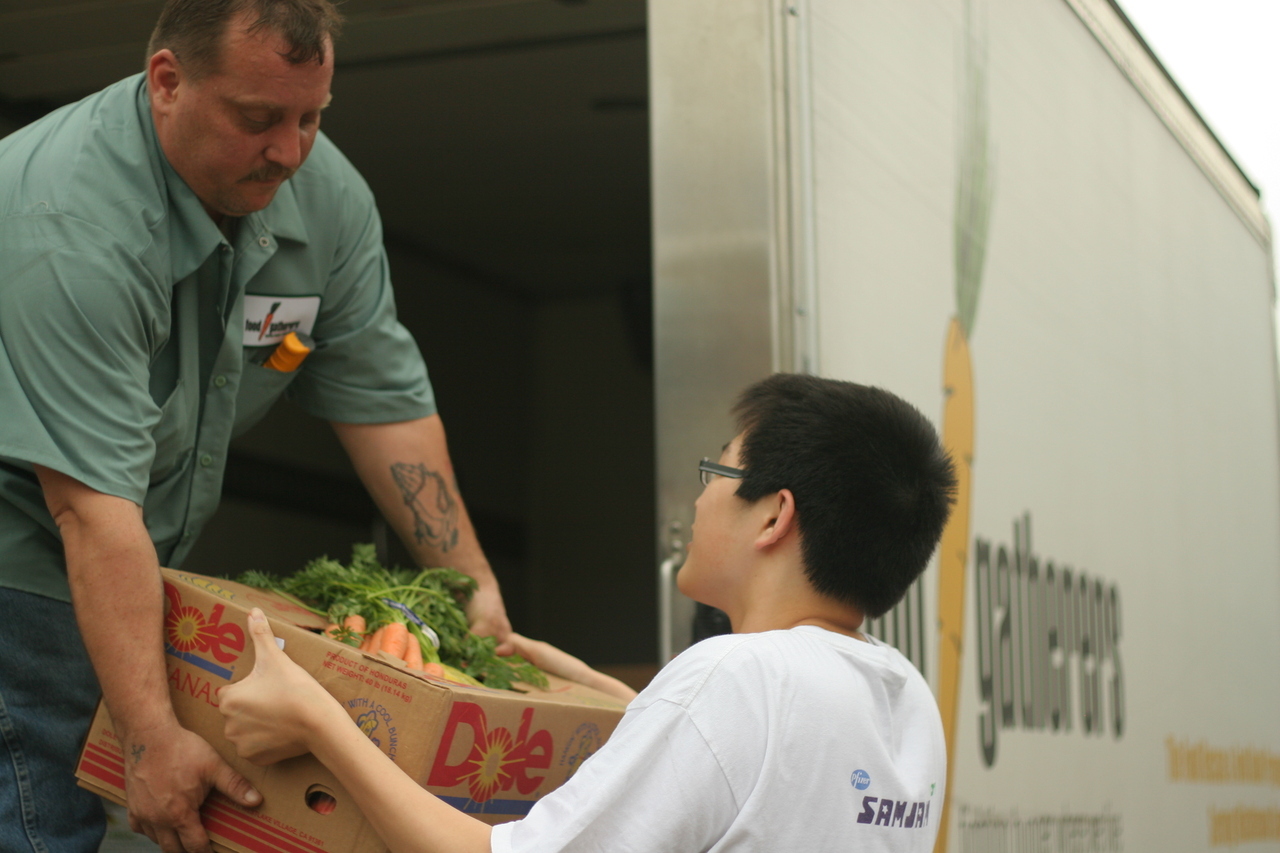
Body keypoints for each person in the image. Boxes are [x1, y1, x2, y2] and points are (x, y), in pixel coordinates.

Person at [0, 2, 513, 851]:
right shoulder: (71, 225)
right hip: (25, 558)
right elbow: (91, 510)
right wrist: (153, 737)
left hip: (129, 559)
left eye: (312, 116)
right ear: (167, 81)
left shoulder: (327, 196)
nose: (291, 149)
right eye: (258, 118)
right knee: (43, 815)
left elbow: (379, 398)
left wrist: (475, 591)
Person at [220, 373, 958, 853]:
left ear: (773, 516)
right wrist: (613, 694)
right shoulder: (906, 698)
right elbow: (772, 791)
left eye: (719, 469)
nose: (699, 497)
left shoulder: (737, 676)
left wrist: (320, 721)